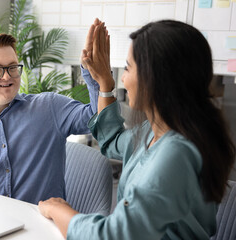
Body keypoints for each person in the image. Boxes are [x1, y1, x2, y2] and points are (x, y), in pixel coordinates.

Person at [38, 19, 236, 239]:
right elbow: (112, 141)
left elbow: (113, 236)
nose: (123, 77)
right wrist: (104, 82)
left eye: (128, 67)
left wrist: (58, 209)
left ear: (155, 78)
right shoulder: (154, 131)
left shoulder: (177, 153)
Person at [0, 21, 103, 204]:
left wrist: (96, 76)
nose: (7, 76)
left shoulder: (49, 107)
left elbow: (98, 119)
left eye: (12, 67)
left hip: (46, 227)